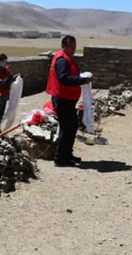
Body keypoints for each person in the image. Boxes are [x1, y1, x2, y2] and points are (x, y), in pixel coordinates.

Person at [45, 35, 91, 166]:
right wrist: (82, 80)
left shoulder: (66, 58)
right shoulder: (62, 60)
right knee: (66, 129)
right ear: (64, 46)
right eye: (71, 46)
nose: (73, 49)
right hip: (63, 99)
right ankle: (60, 158)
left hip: (68, 99)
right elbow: (63, 78)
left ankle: (67, 154)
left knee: (72, 127)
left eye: (74, 46)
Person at [0, 53, 14, 133]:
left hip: (4, 93)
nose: (4, 63)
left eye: (5, 61)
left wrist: (15, 77)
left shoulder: (6, 70)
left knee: (1, 112)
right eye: (3, 61)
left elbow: (10, 77)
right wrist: (2, 81)